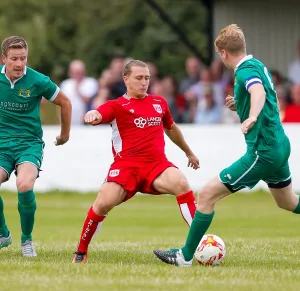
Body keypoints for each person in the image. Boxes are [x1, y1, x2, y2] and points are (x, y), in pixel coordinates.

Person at [153, 24, 300, 267]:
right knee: (288, 202)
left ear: (223, 53)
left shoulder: (243, 72)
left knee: (207, 194)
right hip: (279, 145)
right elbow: (258, 92)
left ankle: (185, 256)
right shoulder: (258, 64)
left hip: (262, 152)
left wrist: (251, 115)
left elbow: (258, 92)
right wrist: (240, 105)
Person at [72, 60, 200, 264]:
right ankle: (81, 251)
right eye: (139, 78)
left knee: (182, 183)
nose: (144, 82)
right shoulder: (116, 105)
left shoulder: (159, 102)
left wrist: (189, 153)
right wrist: (93, 114)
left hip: (157, 166)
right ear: (126, 79)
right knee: (103, 202)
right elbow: (100, 113)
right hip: (126, 168)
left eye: (147, 78)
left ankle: (199, 246)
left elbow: (171, 129)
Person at [0, 36, 72, 257]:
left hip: (28, 144)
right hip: (2, 145)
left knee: (24, 184)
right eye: (14, 59)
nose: (20, 63)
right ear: (4, 59)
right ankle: (3, 234)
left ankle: (26, 240)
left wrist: (64, 135)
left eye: (23, 58)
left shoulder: (37, 80)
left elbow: (65, 102)